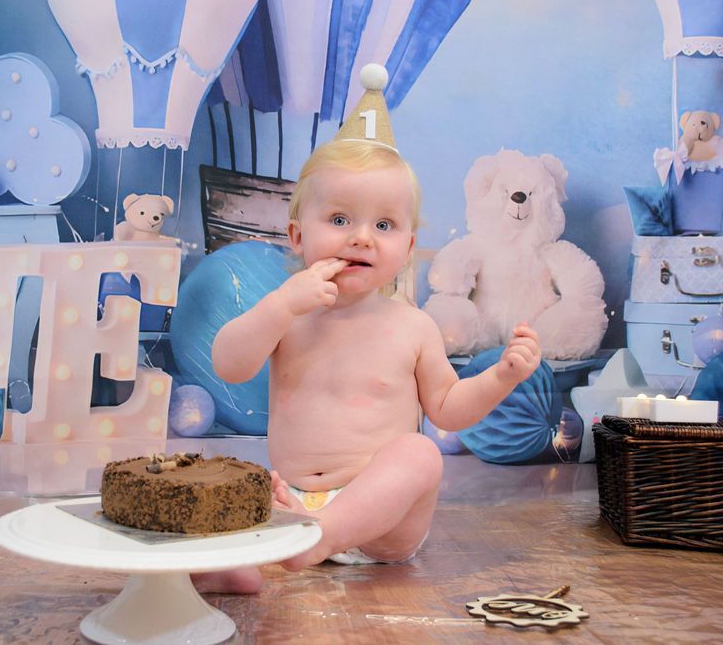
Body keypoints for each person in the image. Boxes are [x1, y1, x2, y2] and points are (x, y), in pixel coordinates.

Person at [194, 67, 540, 593]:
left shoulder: (412, 327)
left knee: (419, 454)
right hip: (293, 502)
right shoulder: (287, 314)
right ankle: (240, 563)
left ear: (406, 246)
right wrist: (281, 306)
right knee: (227, 483)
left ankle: (320, 536)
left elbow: (447, 408)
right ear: (296, 234)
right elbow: (228, 363)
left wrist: (502, 378)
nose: (360, 238)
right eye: (338, 219)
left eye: (384, 225)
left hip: (382, 522)